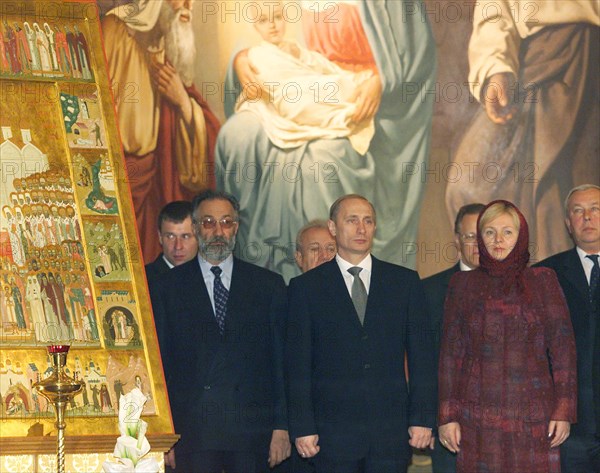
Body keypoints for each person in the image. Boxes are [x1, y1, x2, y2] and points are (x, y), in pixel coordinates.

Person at [217, 1, 435, 282]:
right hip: (313, 88)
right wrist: (241, 59)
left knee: (321, 161)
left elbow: (414, 56)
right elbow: (268, 47)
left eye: (278, 17)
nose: (273, 22)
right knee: (237, 134)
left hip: (365, 92)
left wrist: (380, 80)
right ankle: (264, 267)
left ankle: (334, 277)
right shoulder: (275, 38)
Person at [286, 194, 436, 473]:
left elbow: (422, 359)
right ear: (333, 227)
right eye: (352, 220)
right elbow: (298, 365)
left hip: (390, 434)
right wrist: (302, 426)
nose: (361, 228)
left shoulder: (404, 283)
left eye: (368, 221)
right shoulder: (305, 288)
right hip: (330, 435)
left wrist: (423, 418)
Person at [446, 1, 599, 260]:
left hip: (589, 55)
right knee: (467, 185)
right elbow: (494, 11)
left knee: (559, 186)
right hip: (527, 62)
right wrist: (495, 71)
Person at [150, 190, 290, 472]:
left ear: (236, 228)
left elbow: (282, 364)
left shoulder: (268, 286)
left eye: (226, 222)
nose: (218, 231)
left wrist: (282, 427)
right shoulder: (167, 287)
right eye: (208, 222)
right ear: (195, 226)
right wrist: (164, 435)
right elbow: (159, 367)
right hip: (193, 432)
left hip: (253, 432)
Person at [438, 200, 577, 473]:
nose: (498, 239)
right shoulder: (462, 284)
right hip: (476, 416)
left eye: (507, 232)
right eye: (489, 232)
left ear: (521, 235)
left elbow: (563, 350)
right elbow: (450, 355)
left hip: (534, 415)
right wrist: (447, 416)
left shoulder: (543, 280)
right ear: (480, 237)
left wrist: (564, 409)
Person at [102, 0, 220, 263]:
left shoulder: (169, 52)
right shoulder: (115, 28)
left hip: (157, 184)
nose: (188, 5)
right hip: (117, 178)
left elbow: (209, 130)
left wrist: (183, 105)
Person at [237, 1, 375, 155]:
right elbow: (271, 85)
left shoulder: (296, 49)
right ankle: (344, 114)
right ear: (255, 26)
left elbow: (326, 67)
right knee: (294, 101)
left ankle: (346, 106)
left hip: (311, 91)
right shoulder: (257, 55)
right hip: (289, 100)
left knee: (334, 83)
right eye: (263, 21)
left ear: (285, 19)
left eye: (277, 17)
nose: (272, 25)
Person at [535, 184, 600, 472]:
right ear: (567, 224)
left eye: (595, 209)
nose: (587, 217)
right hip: (570, 426)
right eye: (578, 211)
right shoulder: (545, 275)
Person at [421, 203, 484, 473]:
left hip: (508, 429)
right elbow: (423, 362)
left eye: (486, 234)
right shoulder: (430, 291)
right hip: (450, 429)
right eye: (471, 236)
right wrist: (429, 420)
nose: (479, 244)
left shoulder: (524, 289)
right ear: (457, 240)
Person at [144, 200, 197, 284]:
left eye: (185, 236)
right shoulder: (143, 280)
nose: (178, 246)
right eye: (170, 236)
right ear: (160, 237)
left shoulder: (212, 277)